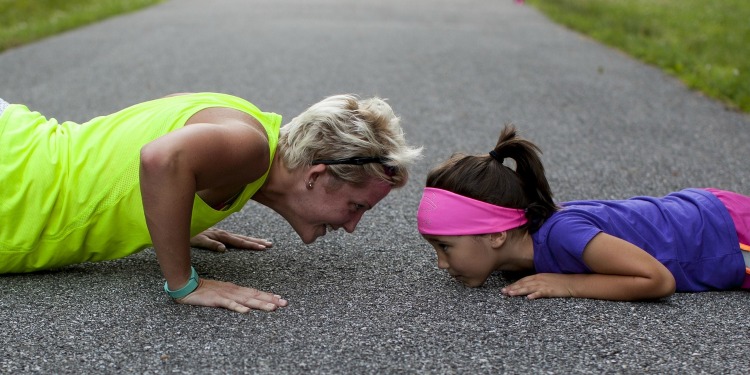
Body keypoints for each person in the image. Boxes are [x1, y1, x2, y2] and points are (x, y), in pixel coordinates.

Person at [0, 93, 421, 313]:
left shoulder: (246, 126)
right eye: (356, 206)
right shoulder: (250, 148)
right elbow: (160, 158)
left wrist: (174, 215)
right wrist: (185, 283)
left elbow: (139, 140)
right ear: (317, 176)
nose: (353, 226)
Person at [417, 124, 750, 301]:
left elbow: (658, 280)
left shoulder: (562, 234)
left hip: (727, 234)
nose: (441, 263)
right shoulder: (523, 252)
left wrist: (568, 284)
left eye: (445, 247)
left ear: (496, 234)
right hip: (709, 214)